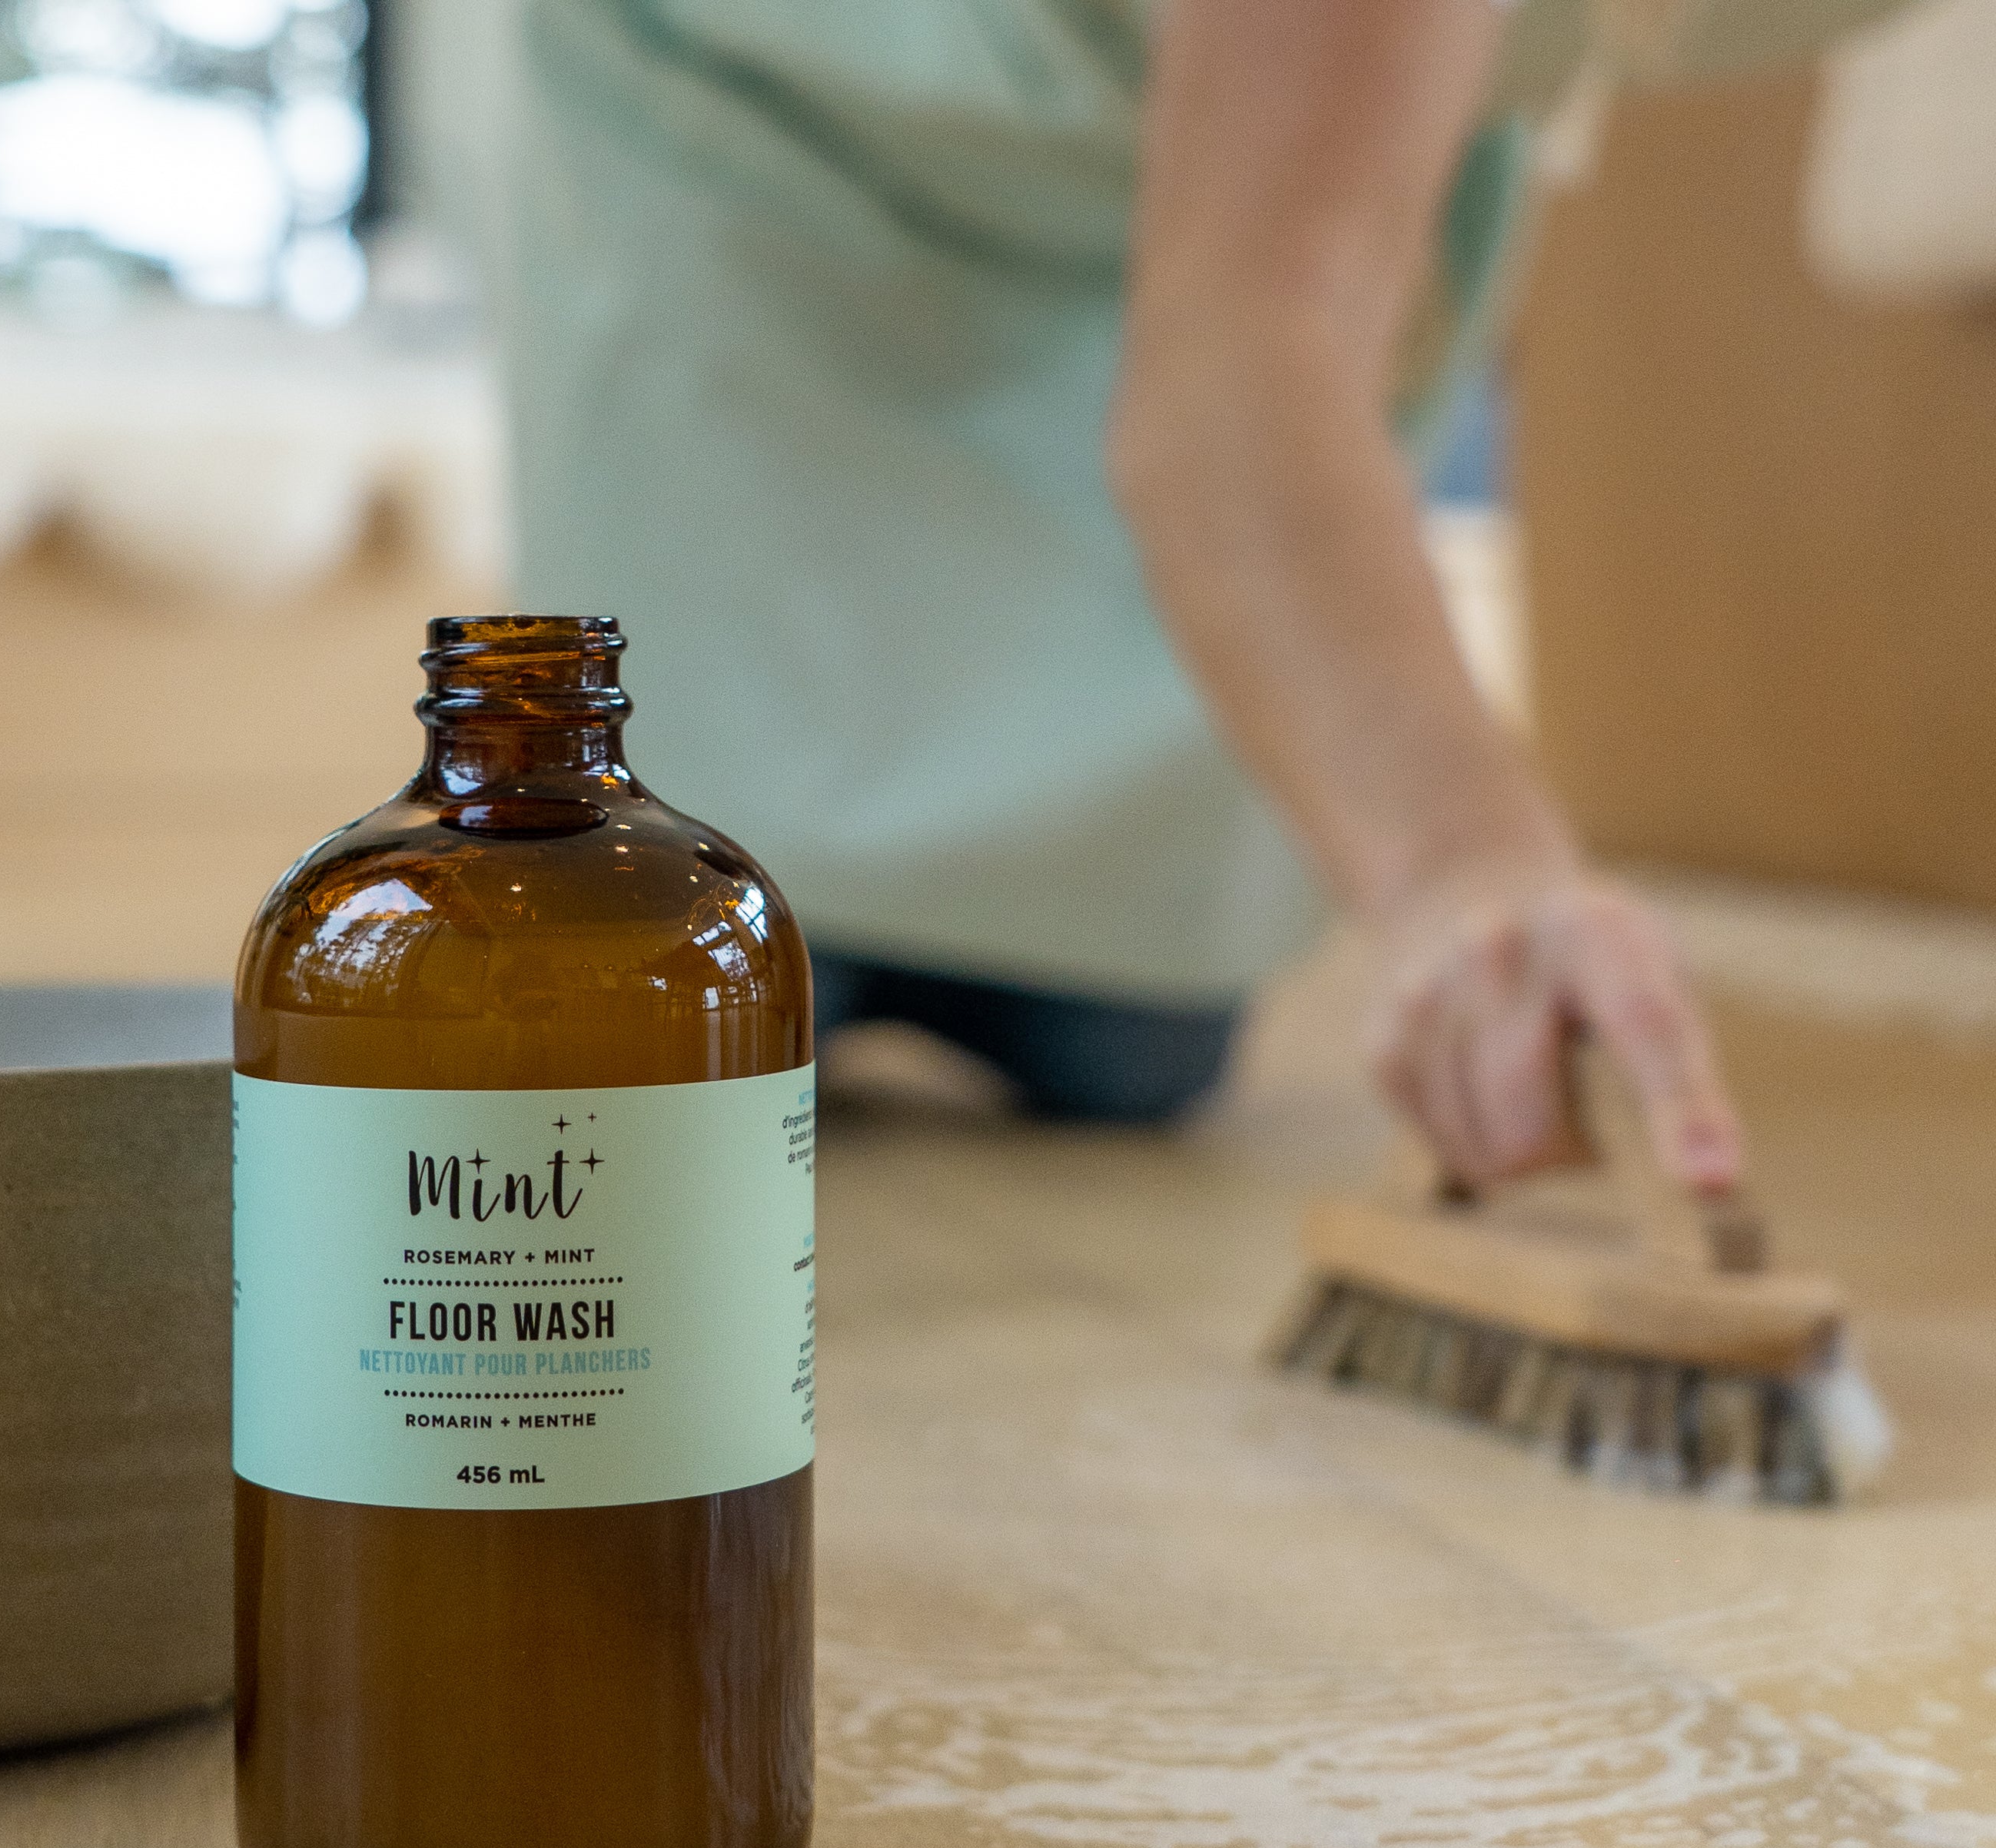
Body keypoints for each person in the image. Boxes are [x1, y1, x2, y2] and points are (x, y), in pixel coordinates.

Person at [485, 0, 1785, 1191]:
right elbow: (1226, 382)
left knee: (1127, 1047)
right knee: (697, 980)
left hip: (1183, 114)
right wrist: (1465, 865)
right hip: (770, 113)